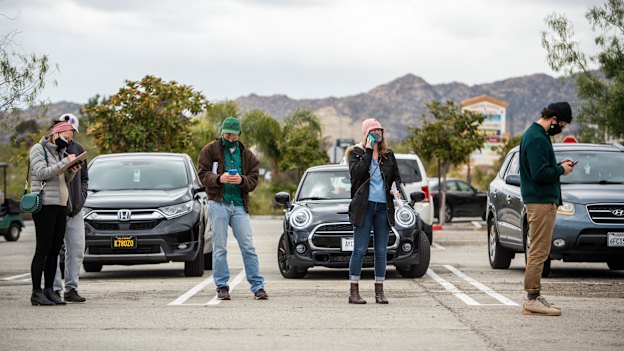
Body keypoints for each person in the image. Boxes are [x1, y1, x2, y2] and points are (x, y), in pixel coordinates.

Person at [197, 117, 268, 300]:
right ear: (222, 132)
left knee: (248, 246)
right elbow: (203, 175)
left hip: (238, 205)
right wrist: (219, 179)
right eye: (226, 134)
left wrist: (241, 180)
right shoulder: (210, 149)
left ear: (239, 135)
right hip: (218, 204)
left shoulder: (247, 155)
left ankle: (258, 287)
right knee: (219, 247)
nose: (229, 138)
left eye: (233, 135)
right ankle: (222, 286)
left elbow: (253, 179)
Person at [519, 102, 574, 316]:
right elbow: (539, 174)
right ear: (553, 119)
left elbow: (541, 168)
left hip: (543, 200)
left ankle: (534, 295)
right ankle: (532, 298)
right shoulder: (535, 138)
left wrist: (559, 165)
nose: (562, 128)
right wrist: (561, 170)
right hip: (540, 202)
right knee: (539, 251)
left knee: (540, 249)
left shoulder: (539, 136)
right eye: (562, 124)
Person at [346, 118, 401, 304]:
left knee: (381, 250)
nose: (378, 133)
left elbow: (396, 177)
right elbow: (356, 175)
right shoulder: (356, 153)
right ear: (366, 133)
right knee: (359, 249)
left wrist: (397, 188)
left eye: (380, 130)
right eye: (374, 130)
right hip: (364, 207)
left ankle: (379, 292)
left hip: (383, 208)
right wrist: (369, 152)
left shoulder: (389, 155)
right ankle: (354, 292)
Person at [29, 121, 78, 306]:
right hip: (45, 206)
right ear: (56, 134)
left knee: (54, 251)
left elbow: (60, 179)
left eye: (70, 139)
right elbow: (41, 172)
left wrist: (71, 171)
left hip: (60, 205)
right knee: (42, 249)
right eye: (66, 137)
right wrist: (66, 162)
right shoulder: (38, 149)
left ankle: (49, 290)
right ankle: (36, 292)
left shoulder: (59, 153)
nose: (68, 142)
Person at [53, 114, 89, 303]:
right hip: (56, 207)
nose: (71, 134)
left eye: (73, 131)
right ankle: (55, 289)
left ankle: (71, 288)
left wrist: (81, 197)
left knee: (76, 250)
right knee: (54, 250)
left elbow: (84, 178)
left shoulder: (79, 148)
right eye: (68, 130)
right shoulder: (51, 150)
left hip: (75, 208)